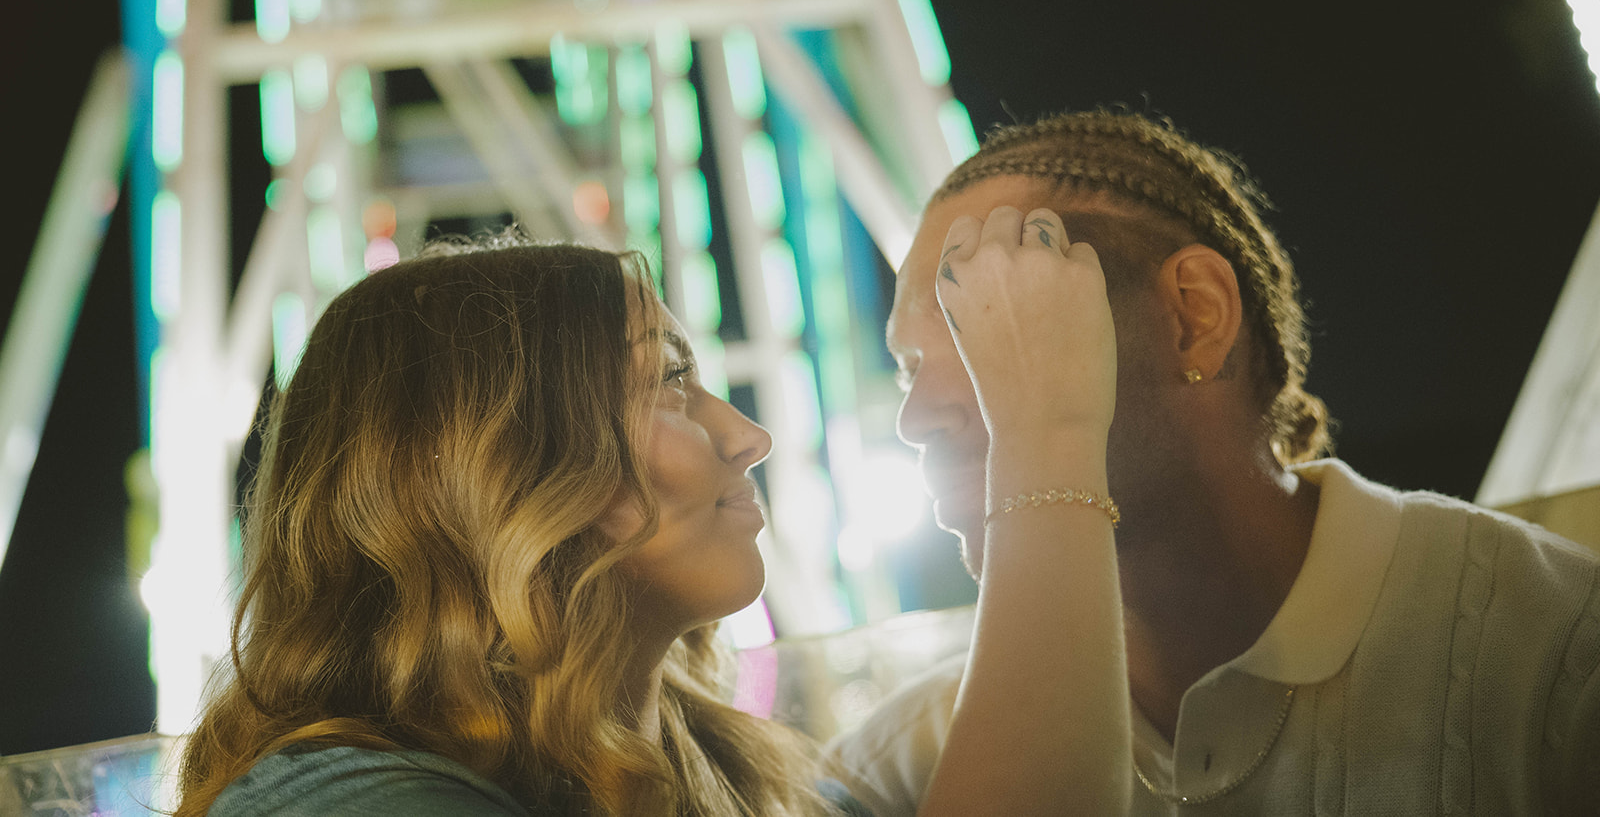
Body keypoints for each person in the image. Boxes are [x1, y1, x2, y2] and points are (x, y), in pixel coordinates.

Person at [172, 231, 1132, 817]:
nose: (747, 435)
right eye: (670, 381)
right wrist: (1047, 437)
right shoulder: (332, 801)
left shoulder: (742, 772)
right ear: (503, 460)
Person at [826, 108, 1600, 815]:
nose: (914, 417)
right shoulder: (891, 773)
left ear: (1195, 315)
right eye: (905, 366)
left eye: (981, 323)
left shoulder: (1552, 660)